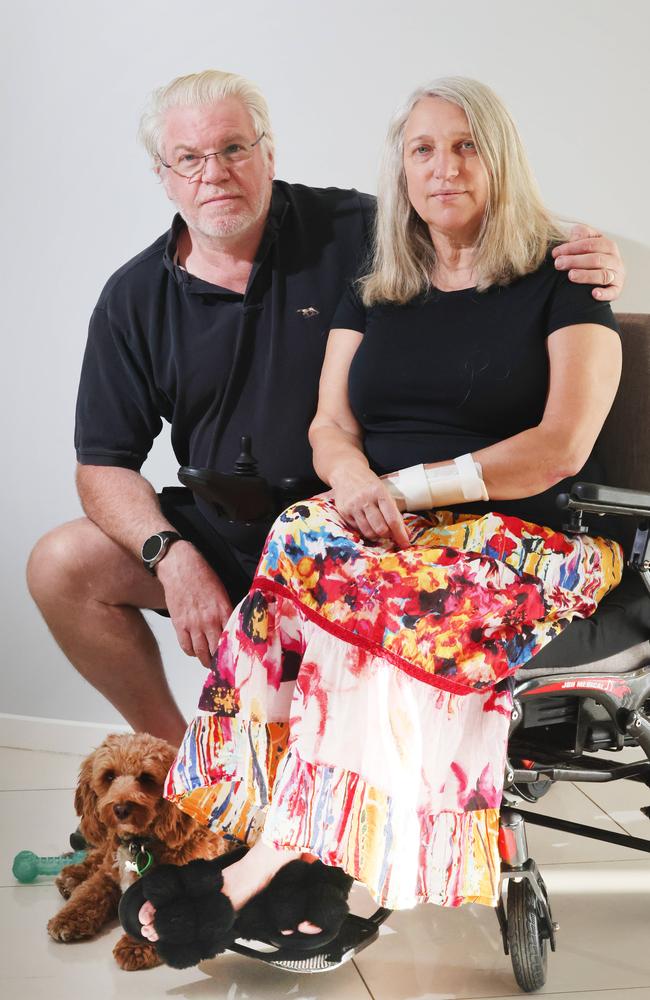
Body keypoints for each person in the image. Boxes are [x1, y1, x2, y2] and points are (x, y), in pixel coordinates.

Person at [137, 76, 623, 943]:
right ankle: (266, 826)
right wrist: (356, 482)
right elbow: (330, 425)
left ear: (501, 158)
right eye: (423, 150)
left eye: (467, 145)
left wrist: (406, 489)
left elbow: (561, 446)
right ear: (400, 171)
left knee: (381, 601)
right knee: (299, 541)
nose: (445, 167)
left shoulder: (565, 278)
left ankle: (283, 857)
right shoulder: (381, 283)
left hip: (512, 533)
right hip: (382, 522)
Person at [26, 70, 625, 749]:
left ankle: (291, 793)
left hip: (360, 522)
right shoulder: (133, 298)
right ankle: (181, 769)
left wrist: (597, 256)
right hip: (233, 533)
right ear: (163, 175)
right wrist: (171, 556)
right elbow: (103, 464)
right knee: (61, 564)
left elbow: (469, 221)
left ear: (269, 153)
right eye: (188, 160)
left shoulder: (359, 233)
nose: (213, 175)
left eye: (233, 149)